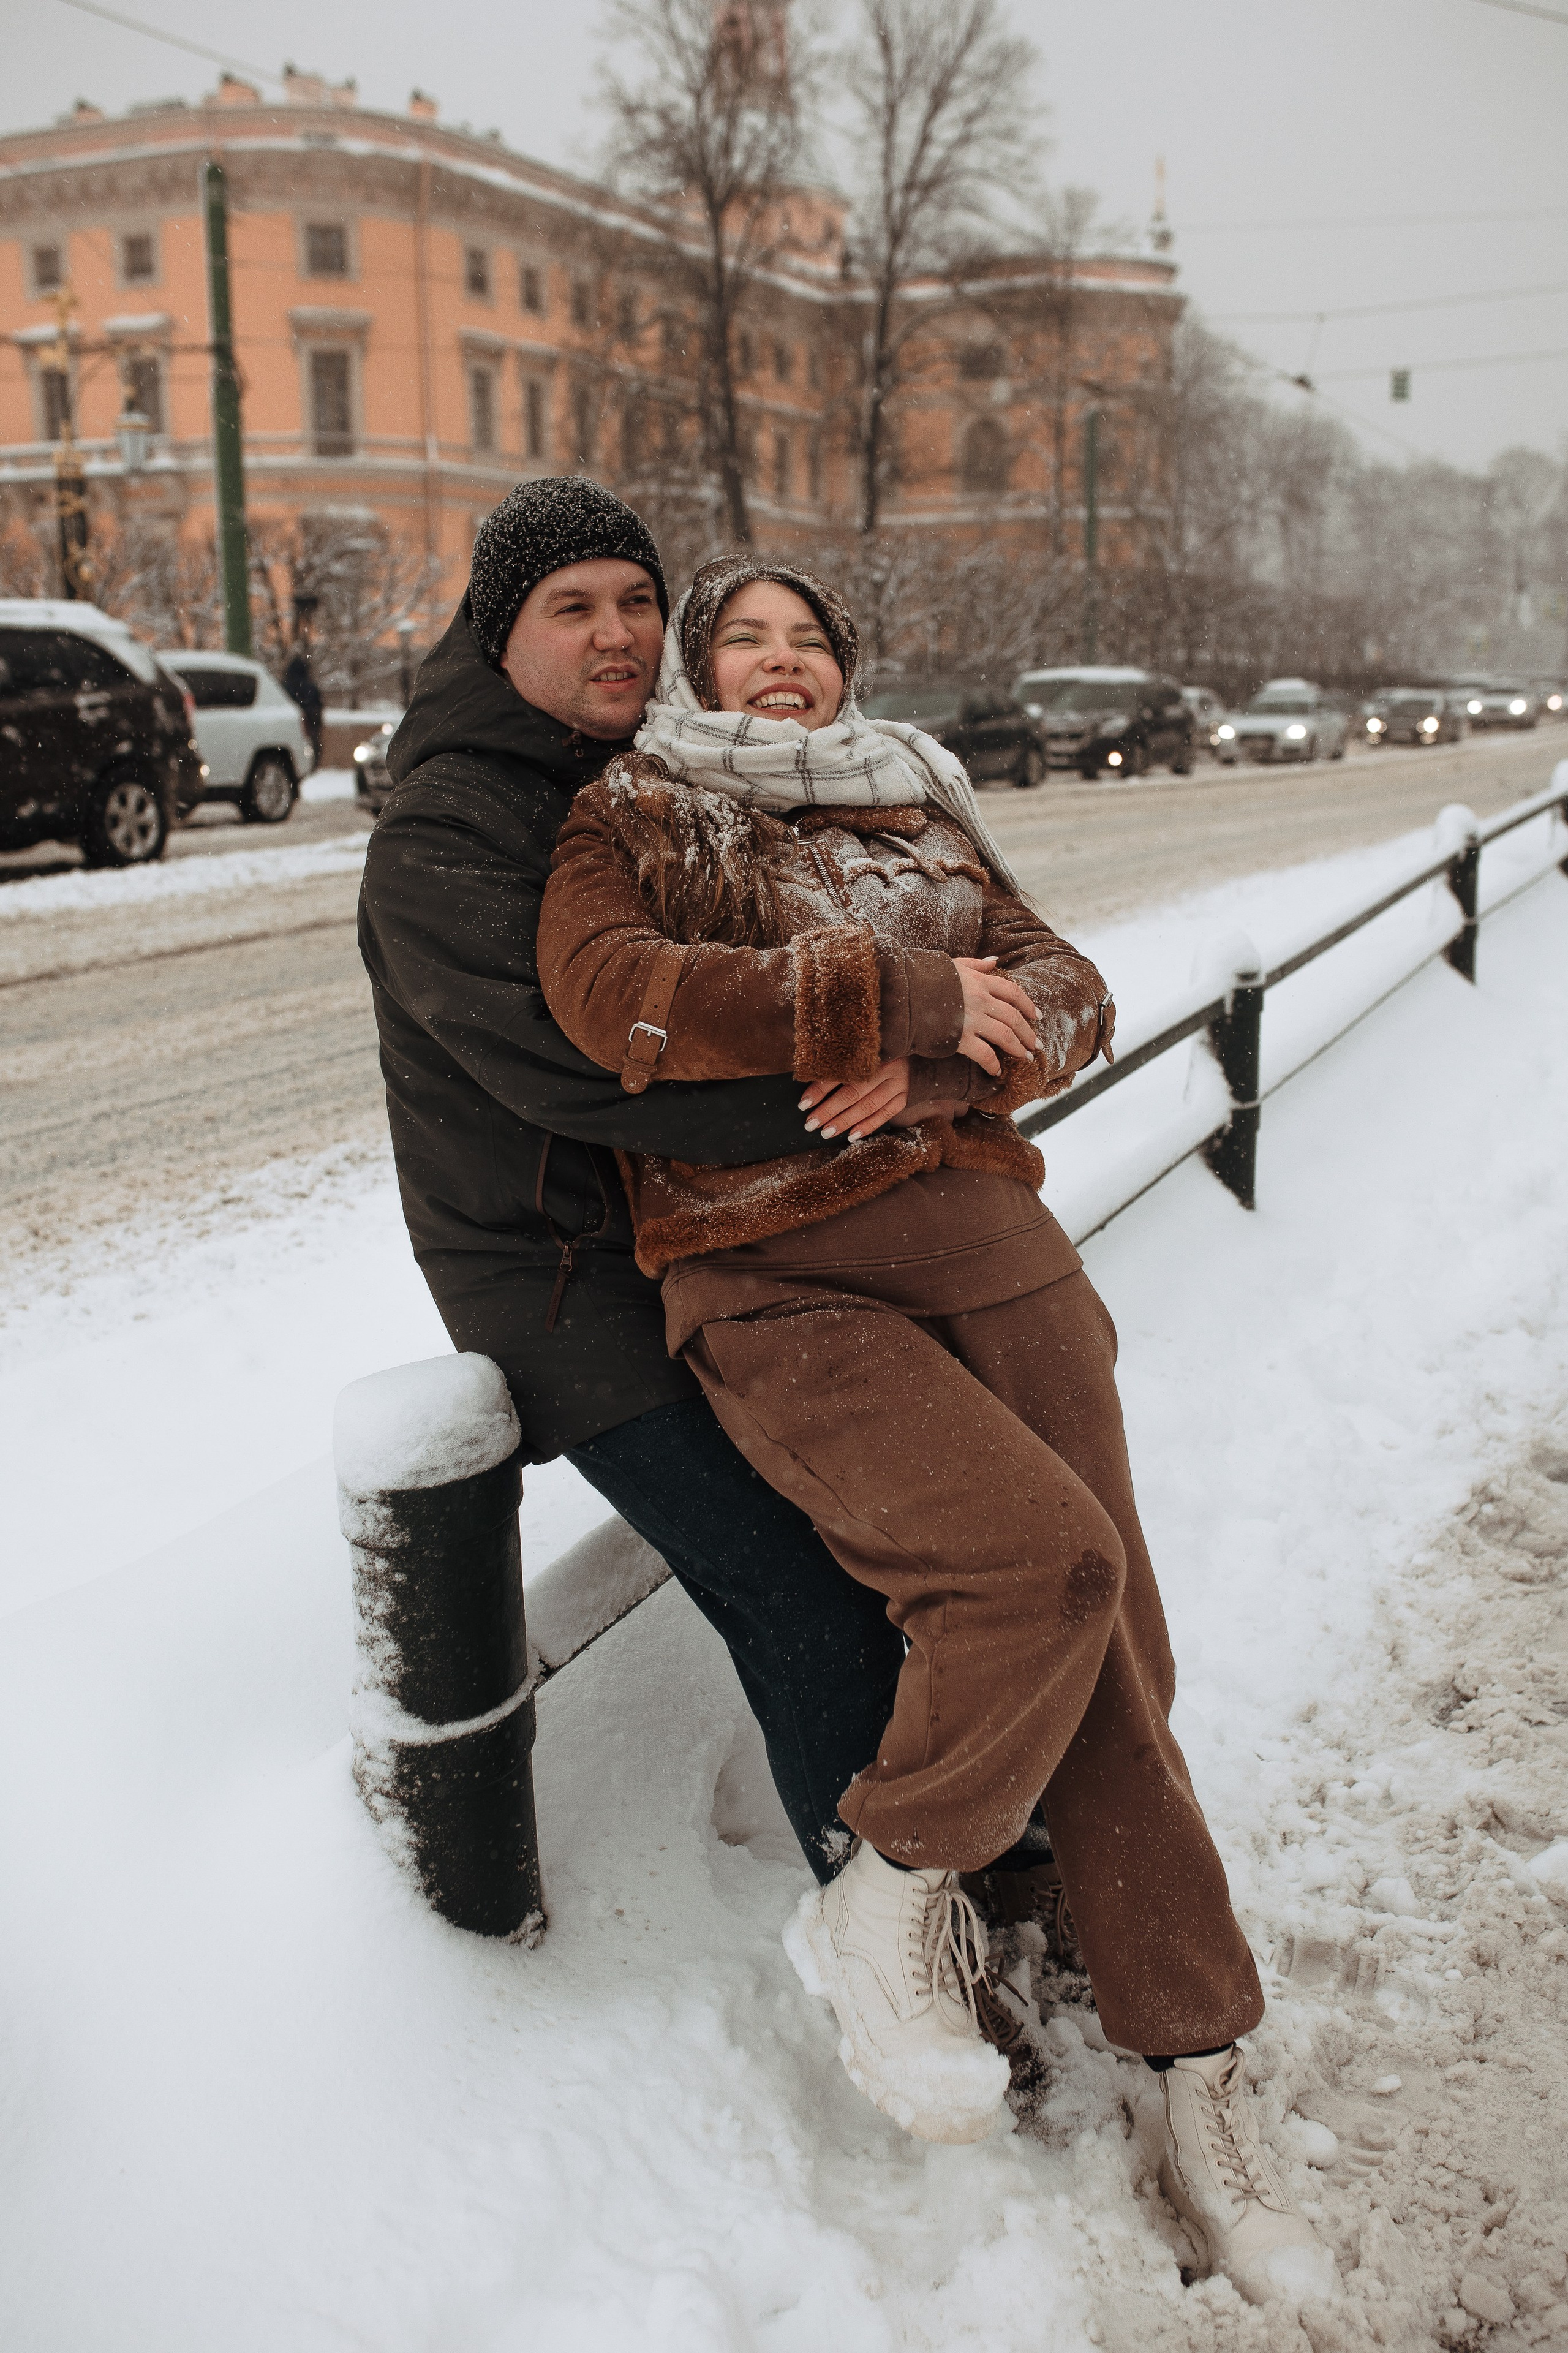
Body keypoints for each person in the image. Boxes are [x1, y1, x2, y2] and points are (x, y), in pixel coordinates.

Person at [534, 554, 1336, 2311]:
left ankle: (1200, 2077)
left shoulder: (925, 805)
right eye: (745, 639)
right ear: (691, 669)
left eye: (810, 642)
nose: (785, 666)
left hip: (992, 1243)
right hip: (762, 1261)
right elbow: (617, 999)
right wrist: (887, 1000)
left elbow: (1069, 994)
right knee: (1036, 1572)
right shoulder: (639, 808)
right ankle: (895, 1881)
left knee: (1123, 1662)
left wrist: (952, 1067)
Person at [358, 478, 907, 1886]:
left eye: (636, 601)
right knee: (799, 1588)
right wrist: (832, 1100)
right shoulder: (448, 824)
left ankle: (972, 1858)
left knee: (898, 1529)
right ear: (500, 630)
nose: (616, 633)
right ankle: (893, 1921)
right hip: (560, 1282)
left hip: (684, 1235)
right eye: (572, 606)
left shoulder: (616, 772)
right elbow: (579, 1063)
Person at [282, 636, 324, 771]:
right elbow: (318, 706)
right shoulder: (310, 687)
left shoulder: (286, 687)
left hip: (292, 727)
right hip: (310, 726)